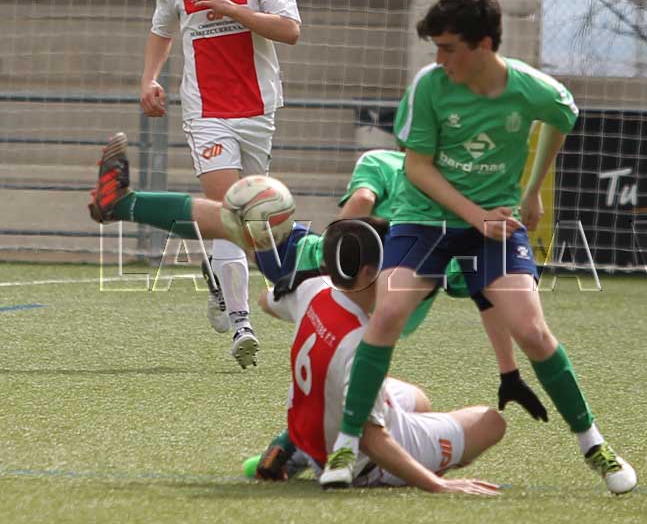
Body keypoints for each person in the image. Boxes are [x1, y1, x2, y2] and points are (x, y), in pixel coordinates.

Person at [320, 0, 638, 495]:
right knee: (388, 313)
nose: (439, 60)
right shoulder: (430, 86)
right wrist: (474, 215)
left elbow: (562, 119)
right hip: (426, 220)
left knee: (532, 332)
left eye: (449, 48)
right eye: (436, 48)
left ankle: (593, 444)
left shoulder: (533, 90)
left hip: (495, 227)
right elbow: (417, 168)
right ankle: (346, 444)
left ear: (484, 45)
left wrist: (532, 192)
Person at [89, 134, 547, 424]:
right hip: (354, 283)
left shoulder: (386, 164)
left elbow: (358, 208)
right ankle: (126, 206)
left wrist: (338, 262)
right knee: (243, 227)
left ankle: (126, 205)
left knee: (244, 226)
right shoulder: (449, 195)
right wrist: (507, 369)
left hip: (327, 271)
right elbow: (484, 295)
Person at [139, 0, 301, 368]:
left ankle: (217, 277)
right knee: (231, 212)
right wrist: (149, 79)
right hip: (206, 113)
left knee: (252, 219)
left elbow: (290, 31)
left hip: (258, 110)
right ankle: (241, 323)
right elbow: (162, 31)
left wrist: (232, 9)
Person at [257, 217, 505, 493]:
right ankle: (349, 461)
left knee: (419, 400)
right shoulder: (363, 340)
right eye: (393, 263)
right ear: (369, 272)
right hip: (362, 463)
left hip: (314, 430)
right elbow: (370, 438)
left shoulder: (314, 287)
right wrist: (438, 485)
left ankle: (296, 448)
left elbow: (265, 301)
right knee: (491, 422)